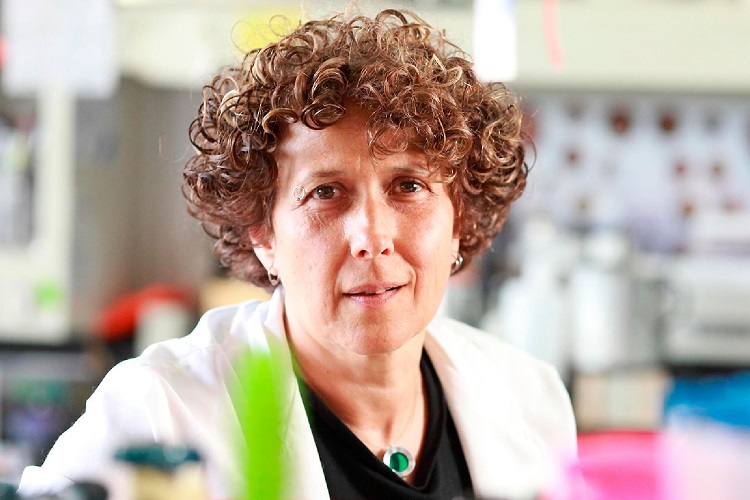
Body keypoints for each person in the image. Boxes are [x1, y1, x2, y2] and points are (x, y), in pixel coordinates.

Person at [18, 8, 576, 499]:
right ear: (263, 234)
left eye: (409, 186)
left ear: (459, 219)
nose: (372, 236)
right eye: (325, 193)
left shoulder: (530, 398)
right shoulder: (158, 411)